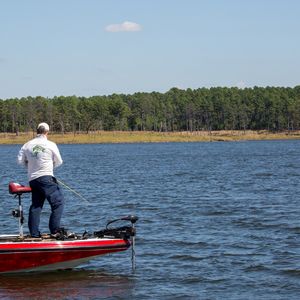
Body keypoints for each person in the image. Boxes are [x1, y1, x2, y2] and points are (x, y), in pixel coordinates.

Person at [17, 122, 64, 237]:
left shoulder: (27, 145)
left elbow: (19, 161)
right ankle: (55, 231)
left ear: (37, 131)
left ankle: (34, 233)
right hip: (47, 179)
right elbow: (59, 161)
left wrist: (29, 165)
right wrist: (50, 166)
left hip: (33, 180)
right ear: (47, 132)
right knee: (58, 203)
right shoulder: (51, 144)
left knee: (36, 205)